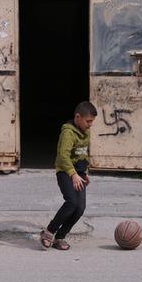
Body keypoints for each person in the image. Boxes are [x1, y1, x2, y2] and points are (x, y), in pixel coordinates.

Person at [40, 101, 97, 251]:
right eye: (88, 121)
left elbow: (83, 153)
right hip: (65, 172)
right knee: (71, 202)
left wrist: (85, 173)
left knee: (80, 208)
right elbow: (63, 157)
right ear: (78, 117)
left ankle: (60, 237)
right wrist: (73, 175)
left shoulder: (86, 132)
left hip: (79, 174)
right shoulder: (68, 132)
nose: (90, 125)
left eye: (92, 121)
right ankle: (49, 232)